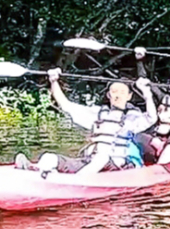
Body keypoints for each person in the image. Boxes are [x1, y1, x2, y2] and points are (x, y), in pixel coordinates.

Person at [15, 69, 156, 176]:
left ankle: (75, 183)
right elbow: (66, 105)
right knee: (49, 157)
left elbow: (151, 118)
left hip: (116, 165)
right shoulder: (96, 114)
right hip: (90, 160)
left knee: (101, 158)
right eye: (114, 91)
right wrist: (54, 81)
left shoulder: (131, 118)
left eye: (122, 92)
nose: (117, 95)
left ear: (129, 96)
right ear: (108, 95)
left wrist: (147, 94)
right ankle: (37, 170)